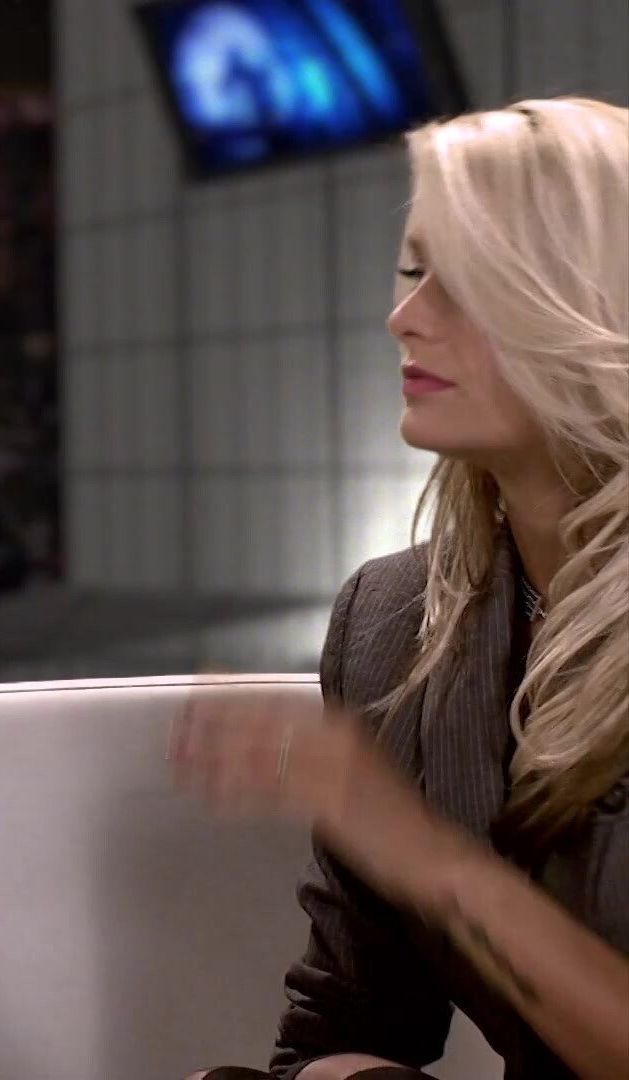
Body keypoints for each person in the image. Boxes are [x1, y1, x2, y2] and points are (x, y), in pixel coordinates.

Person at [171, 98, 629, 1080]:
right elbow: (348, 1025)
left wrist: (426, 858)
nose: (404, 318)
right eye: (415, 271)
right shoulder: (387, 623)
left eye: (469, 281)